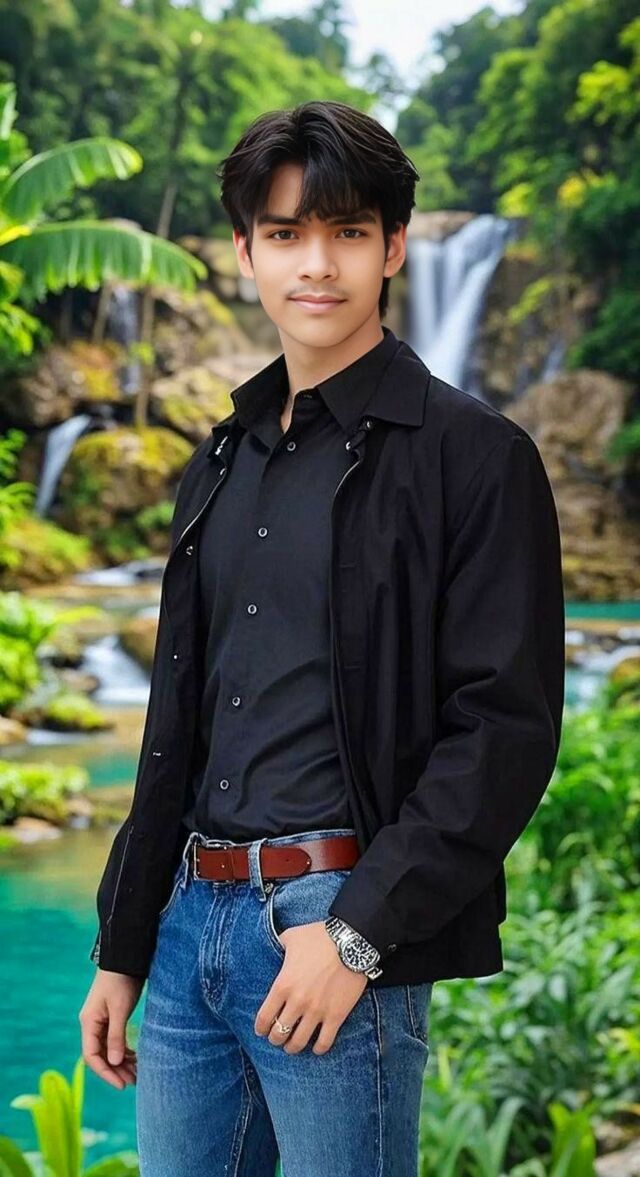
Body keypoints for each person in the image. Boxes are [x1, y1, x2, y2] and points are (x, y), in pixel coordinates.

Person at [79, 99, 565, 1176]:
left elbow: (504, 729)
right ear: (245, 251)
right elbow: (177, 724)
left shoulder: (477, 456)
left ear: (393, 247)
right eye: (286, 233)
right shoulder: (220, 458)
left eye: (348, 232)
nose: (317, 264)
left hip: (332, 934)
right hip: (186, 929)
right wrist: (124, 940)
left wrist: (356, 933)